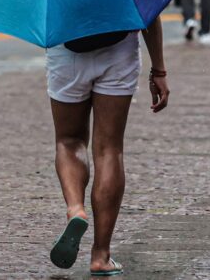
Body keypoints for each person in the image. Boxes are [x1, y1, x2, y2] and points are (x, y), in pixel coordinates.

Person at [46, 26, 170, 277]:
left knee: (69, 141)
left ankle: (75, 209)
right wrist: (158, 68)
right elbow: (150, 9)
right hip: (119, 49)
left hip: (67, 49)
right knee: (109, 149)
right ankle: (101, 256)